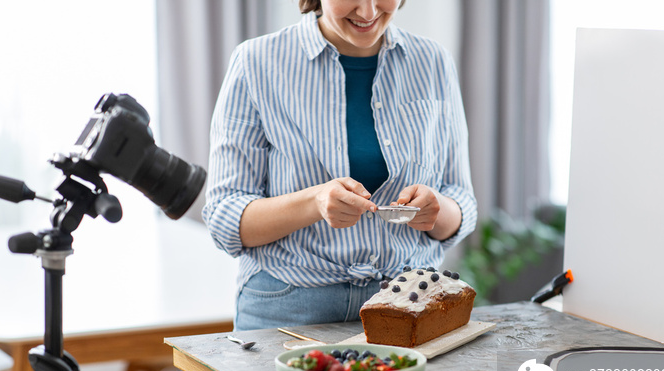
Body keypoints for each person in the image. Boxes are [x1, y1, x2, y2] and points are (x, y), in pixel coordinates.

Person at [203, 0, 477, 330]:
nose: (368, 12)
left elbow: (460, 197)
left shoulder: (433, 61)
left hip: (409, 305)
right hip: (288, 306)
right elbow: (223, 216)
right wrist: (314, 202)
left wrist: (437, 210)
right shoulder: (256, 62)